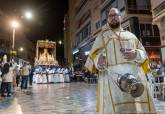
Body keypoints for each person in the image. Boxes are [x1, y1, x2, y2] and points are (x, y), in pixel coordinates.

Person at [85, 8, 156, 114]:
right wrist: (98, 60)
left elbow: (144, 55)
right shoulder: (102, 36)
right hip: (112, 80)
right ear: (108, 20)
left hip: (134, 77)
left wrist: (136, 54)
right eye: (110, 16)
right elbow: (93, 56)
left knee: (135, 108)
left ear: (120, 17)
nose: (113, 17)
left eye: (115, 15)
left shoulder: (131, 36)